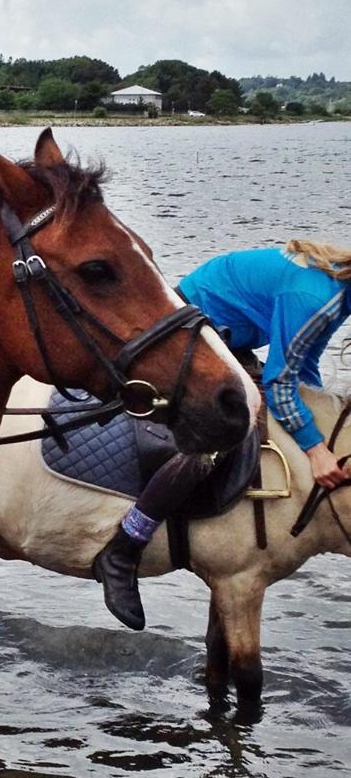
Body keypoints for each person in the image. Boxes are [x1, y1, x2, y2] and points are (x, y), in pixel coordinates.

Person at [94, 239, 351, 629]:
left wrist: (315, 417)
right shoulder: (317, 296)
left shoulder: (338, 293)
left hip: (224, 332)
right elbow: (281, 382)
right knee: (218, 439)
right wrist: (315, 450)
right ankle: (125, 547)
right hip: (194, 326)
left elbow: (304, 366)